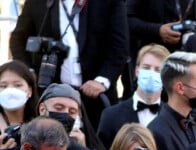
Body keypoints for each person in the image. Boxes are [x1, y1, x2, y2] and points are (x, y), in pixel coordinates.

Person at [9, 0, 129, 132]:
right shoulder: (38, 2)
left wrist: (102, 80)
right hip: (51, 96)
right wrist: (30, 73)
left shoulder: (108, 3)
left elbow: (120, 46)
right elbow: (18, 40)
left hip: (95, 98)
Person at [97, 43, 171, 150]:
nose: (151, 73)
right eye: (146, 67)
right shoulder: (111, 115)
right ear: (137, 70)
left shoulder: (172, 117)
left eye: (158, 70)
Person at [37, 83, 97, 150]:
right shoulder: (20, 141)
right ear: (42, 109)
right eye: (59, 108)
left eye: (72, 111)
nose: (65, 114)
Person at [0, 60, 38, 150]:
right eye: (3, 86)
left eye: (17, 85)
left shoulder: (41, 124)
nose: (10, 91)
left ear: (30, 90)